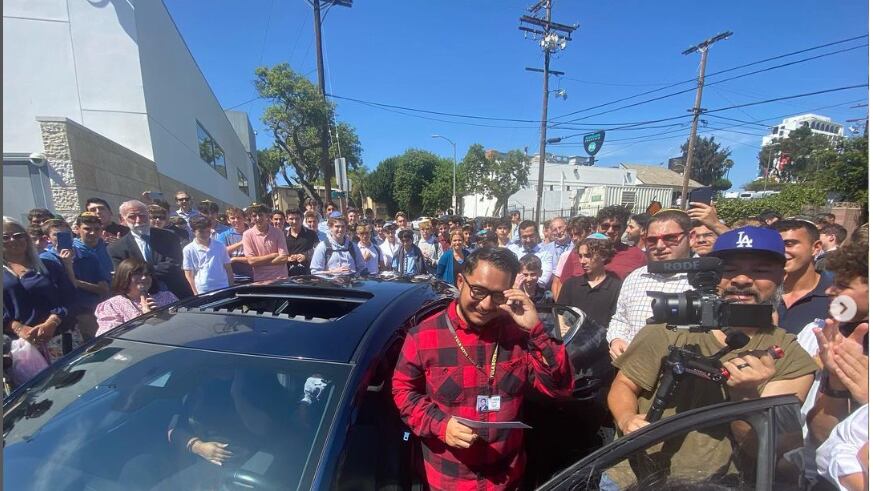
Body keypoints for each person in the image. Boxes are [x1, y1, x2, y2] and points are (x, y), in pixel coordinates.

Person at [607, 226, 818, 482]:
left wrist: (745, 396)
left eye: (760, 270)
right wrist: (627, 419)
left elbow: (765, 449)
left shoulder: (788, 354)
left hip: (721, 483)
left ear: (781, 276)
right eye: (729, 270)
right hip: (634, 477)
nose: (742, 280)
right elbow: (624, 385)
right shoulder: (670, 328)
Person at [391, 247, 573, 489]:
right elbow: (403, 392)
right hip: (449, 480)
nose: (486, 305)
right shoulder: (423, 336)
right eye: (478, 291)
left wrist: (536, 330)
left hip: (508, 478)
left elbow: (559, 387)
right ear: (460, 282)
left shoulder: (518, 334)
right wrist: (440, 425)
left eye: (497, 296)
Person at [606, 210, 693, 360]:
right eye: (652, 240)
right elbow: (620, 319)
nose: (659, 246)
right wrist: (616, 339)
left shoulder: (703, 281)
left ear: (691, 238)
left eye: (670, 238)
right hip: (632, 365)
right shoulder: (635, 277)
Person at [3, 217, 77, 365]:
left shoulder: (49, 265)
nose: (12, 240)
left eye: (18, 235)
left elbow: (70, 297)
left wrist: (52, 322)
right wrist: (19, 328)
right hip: (21, 349)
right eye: (5, 237)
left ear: (26, 238)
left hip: (60, 337)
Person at [109, 200, 193, 299]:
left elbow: (174, 264)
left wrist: (140, 273)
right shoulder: (116, 248)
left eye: (142, 215)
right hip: (142, 298)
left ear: (148, 215)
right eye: (132, 217)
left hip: (178, 294)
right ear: (122, 219)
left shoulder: (169, 236)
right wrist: (153, 270)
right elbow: (125, 276)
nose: (138, 220)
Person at [773, 219, 833, 335]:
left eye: (789, 244)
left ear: (816, 248)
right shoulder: (761, 293)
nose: (781, 251)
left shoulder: (835, 295)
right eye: (775, 245)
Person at [94, 258, 179, 336]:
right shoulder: (111, 306)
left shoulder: (167, 296)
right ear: (125, 277)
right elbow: (109, 337)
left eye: (147, 274)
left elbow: (181, 321)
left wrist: (162, 316)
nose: (144, 277)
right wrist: (145, 318)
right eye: (138, 274)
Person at [557, 235, 622, 329]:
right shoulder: (570, 285)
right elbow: (559, 314)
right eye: (580, 256)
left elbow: (617, 322)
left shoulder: (616, 288)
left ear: (603, 256)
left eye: (588, 256)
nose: (582, 261)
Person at [182, 216, 234, 295]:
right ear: (193, 231)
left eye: (208, 231)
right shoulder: (188, 249)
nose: (205, 234)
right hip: (203, 290)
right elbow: (189, 274)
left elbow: (228, 268)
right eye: (201, 232)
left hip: (223, 287)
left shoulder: (220, 246)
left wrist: (231, 287)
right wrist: (195, 292)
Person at [241, 204, 289, 282]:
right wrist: (272, 256)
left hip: (280, 278)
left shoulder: (278, 232)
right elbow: (251, 261)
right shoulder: (247, 235)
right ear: (251, 218)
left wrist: (259, 262)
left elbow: (284, 258)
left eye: (260, 215)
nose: (258, 218)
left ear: (266, 216)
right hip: (260, 280)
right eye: (254, 216)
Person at [507, 220, 553, 288]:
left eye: (531, 236)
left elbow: (543, 280)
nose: (528, 240)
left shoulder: (545, 254)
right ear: (520, 237)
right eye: (524, 237)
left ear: (537, 235)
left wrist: (520, 281)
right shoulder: (513, 252)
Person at [218, 207, 253, 284]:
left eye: (238, 217)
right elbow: (221, 252)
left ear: (244, 218)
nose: (236, 220)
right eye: (232, 218)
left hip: (252, 277)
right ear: (228, 220)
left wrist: (235, 259)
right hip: (232, 279)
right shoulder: (224, 235)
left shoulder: (252, 233)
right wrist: (241, 243)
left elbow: (255, 258)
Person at [284, 209, 318, 276]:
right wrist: (287, 258)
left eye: (297, 219)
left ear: (302, 219)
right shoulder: (283, 235)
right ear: (286, 220)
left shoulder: (311, 234)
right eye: (291, 219)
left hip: (307, 273)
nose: (294, 221)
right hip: (288, 272)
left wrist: (306, 256)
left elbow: (317, 250)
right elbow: (279, 252)